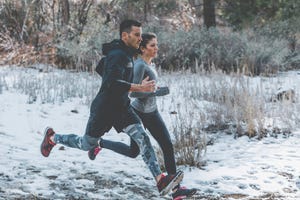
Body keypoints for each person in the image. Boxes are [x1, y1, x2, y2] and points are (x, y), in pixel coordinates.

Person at [40, 20, 183, 196]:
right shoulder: (118, 54)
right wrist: (138, 87)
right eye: (137, 35)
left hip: (122, 109)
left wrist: (130, 83)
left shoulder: (125, 53)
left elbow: (102, 69)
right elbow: (111, 83)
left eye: (140, 34)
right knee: (86, 144)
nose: (140, 38)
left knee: (142, 138)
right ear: (125, 35)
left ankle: (160, 180)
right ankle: (53, 138)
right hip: (104, 110)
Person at [90, 32, 197, 200]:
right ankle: (99, 143)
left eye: (156, 45)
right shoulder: (139, 65)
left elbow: (147, 87)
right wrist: (157, 92)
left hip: (152, 112)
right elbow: (133, 94)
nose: (156, 48)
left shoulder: (149, 65)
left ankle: (176, 190)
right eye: (152, 45)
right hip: (138, 113)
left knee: (167, 145)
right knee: (134, 152)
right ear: (143, 48)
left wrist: (155, 90)